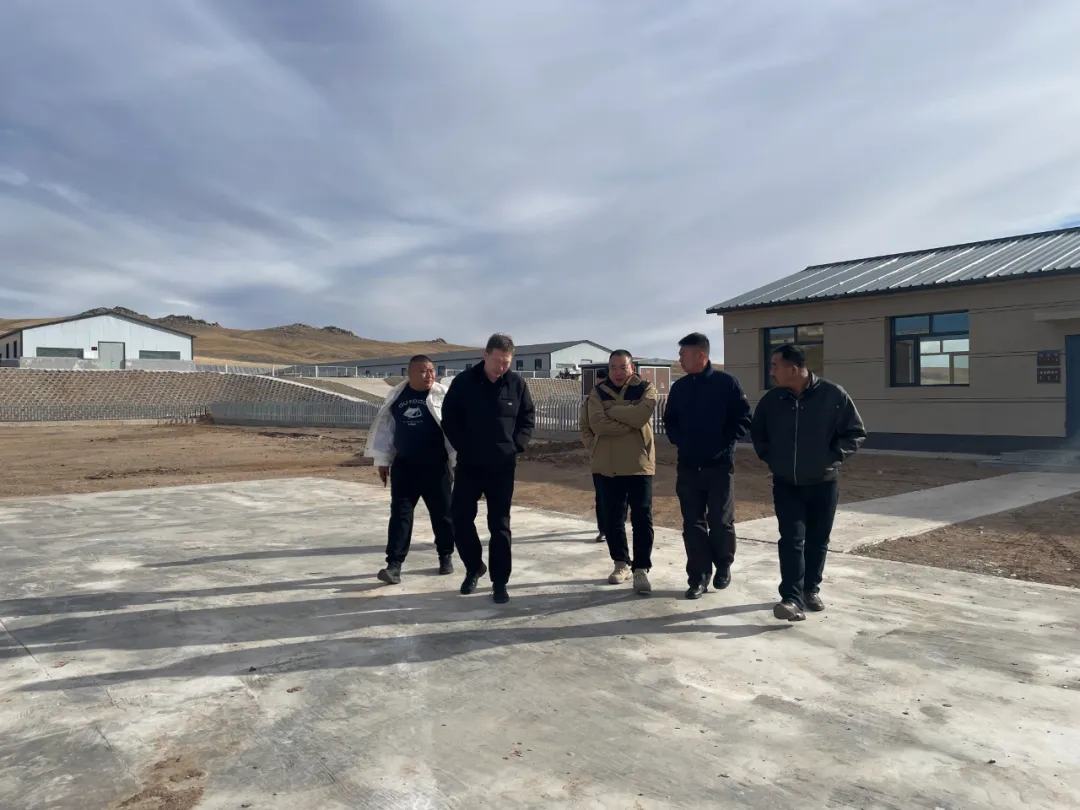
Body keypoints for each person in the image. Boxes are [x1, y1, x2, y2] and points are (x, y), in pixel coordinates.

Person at [751, 343, 866, 621]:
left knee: (818, 540)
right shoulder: (772, 400)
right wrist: (773, 459)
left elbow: (854, 433)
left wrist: (831, 458)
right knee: (791, 540)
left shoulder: (833, 395)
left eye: (775, 366)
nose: (771, 372)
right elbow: (758, 434)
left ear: (793, 368)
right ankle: (791, 598)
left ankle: (810, 589)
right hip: (786, 484)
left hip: (823, 483)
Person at [441, 333, 536, 604]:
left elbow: (527, 418)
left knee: (499, 525)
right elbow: (449, 418)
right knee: (460, 518)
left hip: (502, 467)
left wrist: (516, 445)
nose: (502, 367)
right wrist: (463, 446)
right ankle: (474, 567)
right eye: (498, 361)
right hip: (470, 464)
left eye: (507, 362)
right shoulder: (464, 383)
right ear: (485, 356)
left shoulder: (517, 384)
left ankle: (500, 582)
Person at [663, 332, 752, 599]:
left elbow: (743, 419)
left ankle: (723, 564)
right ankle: (698, 577)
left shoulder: (726, 383)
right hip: (688, 466)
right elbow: (670, 421)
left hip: (719, 467)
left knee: (721, 521)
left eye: (683, 354)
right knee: (693, 523)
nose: (679, 359)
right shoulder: (680, 388)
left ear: (700, 355)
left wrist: (723, 443)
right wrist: (680, 440)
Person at [364, 355, 457, 584]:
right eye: (423, 371)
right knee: (400, 515)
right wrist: (382, 460)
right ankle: (394, 565)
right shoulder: (397, 395)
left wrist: (457, 461)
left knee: (443, 514)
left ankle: (445, 555)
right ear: (410, 373)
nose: (429, 375)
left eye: (432, 370)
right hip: (405, 466)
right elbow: (386, 429)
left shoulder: (443, 395)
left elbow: (455, 431)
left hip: (436, 466)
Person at [584, 350, 659, 594]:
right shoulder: (597, 392)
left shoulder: (646, 388)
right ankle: (621, 563)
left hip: (639, 464)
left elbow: (640, 417)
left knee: (642, 518)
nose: (618, 372)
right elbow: (594, 424)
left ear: (632, 368)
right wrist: (596, 444)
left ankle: (641, 568)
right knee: (613, 519)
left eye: (623, 367)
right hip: (606, 466)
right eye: (613, 367)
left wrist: (612, 411)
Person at [579, 368, 628, 544]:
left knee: (622, 495)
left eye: (603, 384)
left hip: (622, 454)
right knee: (602, 495)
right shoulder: (591, 400)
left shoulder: (620, 401)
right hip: (600, 455)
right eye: (598, 384)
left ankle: (618, 525)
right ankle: (604, 529)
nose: (601, 388)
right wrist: (592, 445)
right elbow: (584, 426)